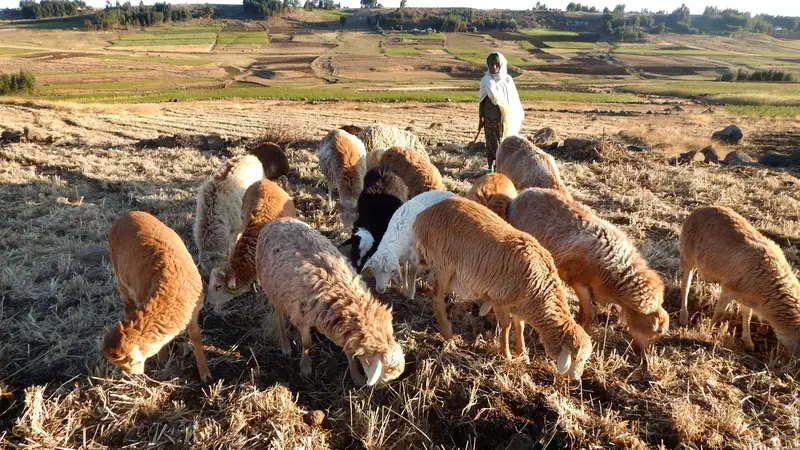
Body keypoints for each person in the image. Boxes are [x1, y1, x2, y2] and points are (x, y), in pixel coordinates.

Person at [478, 52, 525, 172]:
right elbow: (482, 101)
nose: (493, 67)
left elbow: (513, 100)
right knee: (492, 145)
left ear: (501, 65)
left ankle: (503, 169)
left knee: (505, 145)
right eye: (491, 64)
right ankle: (491, 169)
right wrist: (480, 119)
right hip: (490, 119)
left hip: (505, 120)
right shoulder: (486, 80)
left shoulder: (508, 80)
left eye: (496, 64)